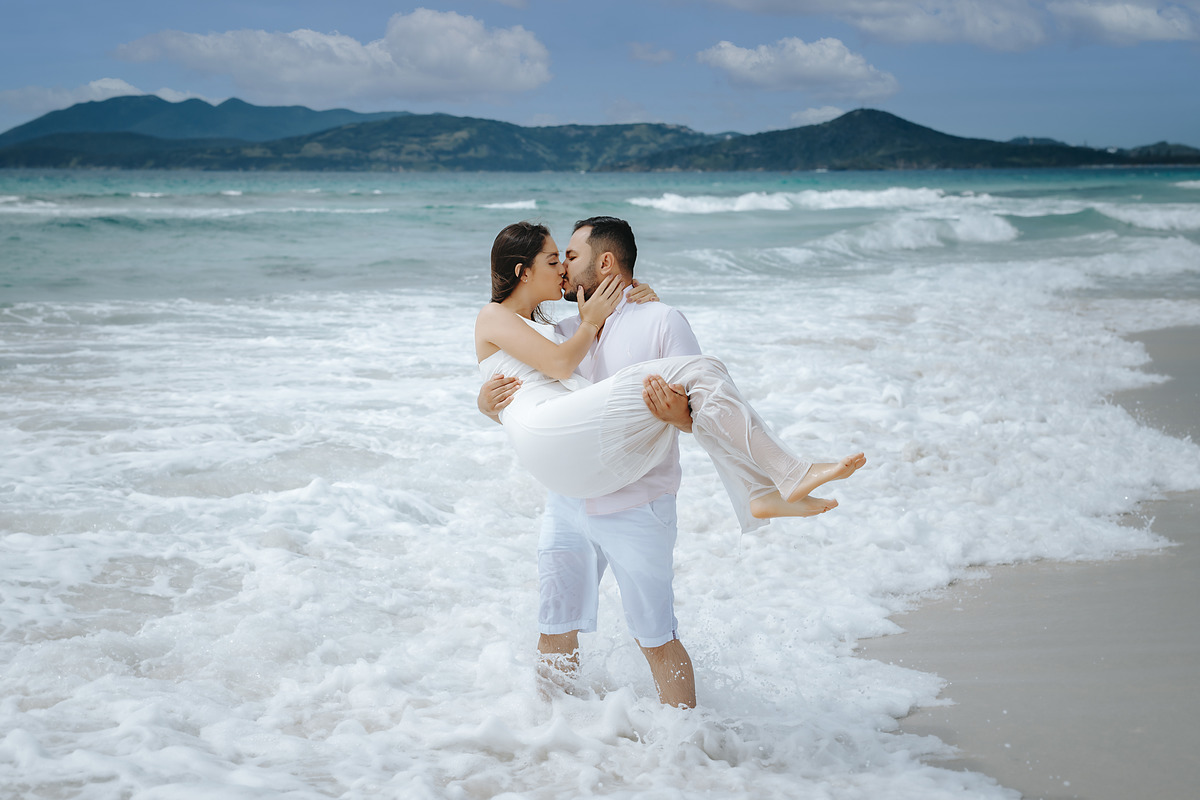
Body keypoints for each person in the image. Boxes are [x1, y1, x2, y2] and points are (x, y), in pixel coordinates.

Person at [475, 218, 864, 708]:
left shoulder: (660, 319)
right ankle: (555, 738)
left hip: (638, 499)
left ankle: (684, 752)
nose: (564, 269)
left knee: (655, 636)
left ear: (607, 263)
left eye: (569, 257)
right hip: (571, 496)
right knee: (556, 626)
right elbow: (533, 382)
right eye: (556, 260)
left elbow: (697, 419)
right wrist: (486, 403)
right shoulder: (567, 329)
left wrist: (677, 412)